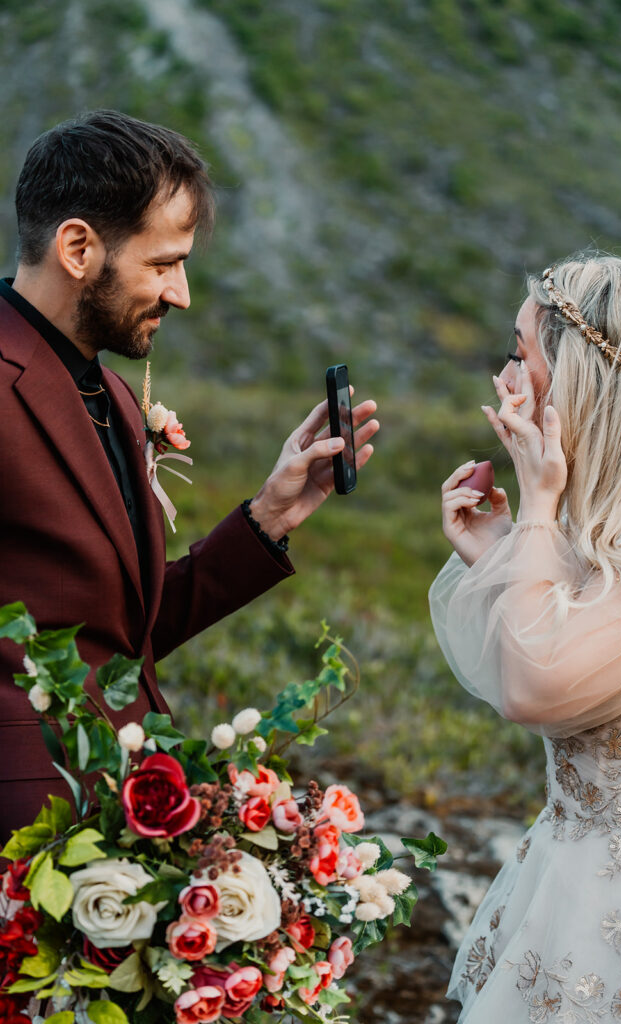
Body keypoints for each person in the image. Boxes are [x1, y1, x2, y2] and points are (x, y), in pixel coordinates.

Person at [0, 110, 379, 841]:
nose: (181, 295)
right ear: (77, 247)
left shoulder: (107, 391)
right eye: (164, 263)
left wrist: (270, 517)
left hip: (114, 828)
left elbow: (115, 637)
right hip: (23, 844)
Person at [430, 254, 621, 1021]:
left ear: (576, 374)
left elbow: (533, 687)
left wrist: (537, 511)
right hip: (564, 874)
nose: (504, 376)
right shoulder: (620, 519)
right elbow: (574, 636)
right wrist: (511, 545)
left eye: (519, 351)